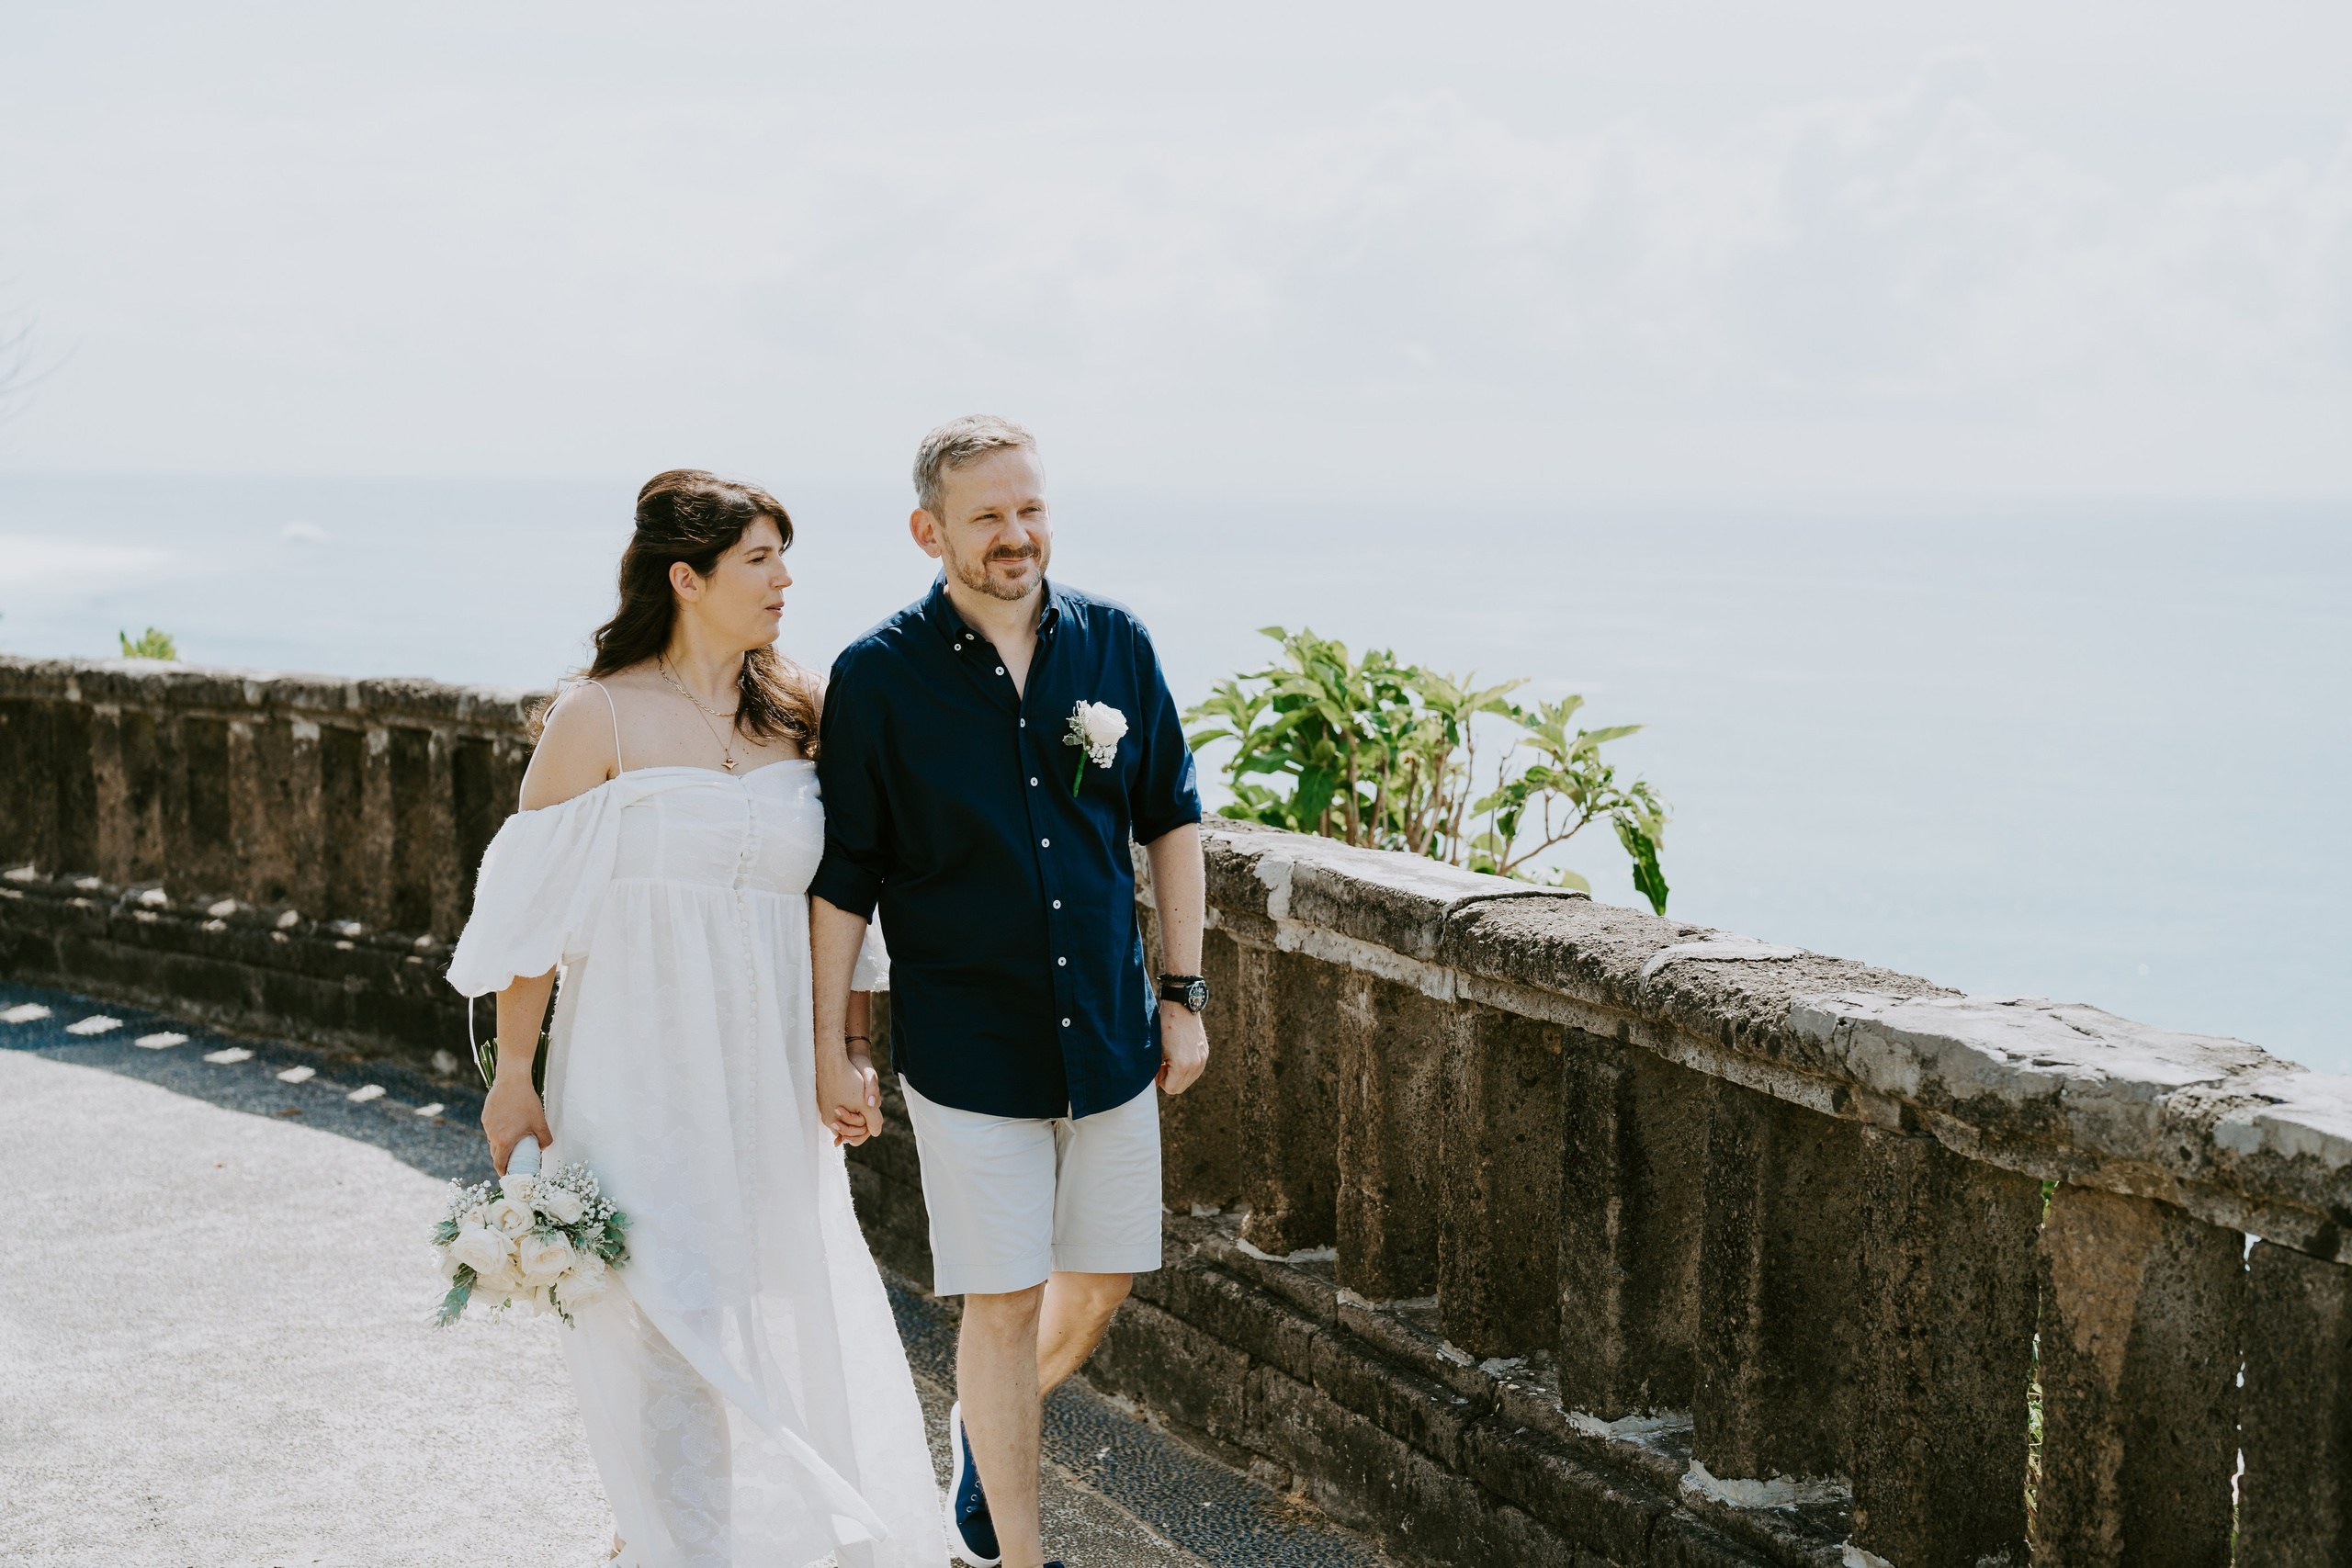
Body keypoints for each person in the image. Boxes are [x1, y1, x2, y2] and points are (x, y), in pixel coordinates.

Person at [447, 470, 943, 1568]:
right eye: (759, 559)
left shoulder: (804, 711)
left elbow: (843, 906)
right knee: (658, 1302)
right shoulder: (598, 716)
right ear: (688, 578)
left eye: (782, 556)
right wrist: (513, 1072)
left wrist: (847, 1049)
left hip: (767, 1061)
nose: (785, 579)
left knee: (776, 1289)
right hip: (634, 1052)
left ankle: (763, 1525)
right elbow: (535, 914)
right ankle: (682, 1538)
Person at [808, 416, 1211, 1568]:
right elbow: (847, 876)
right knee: (1000, 1297)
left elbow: (1170, 816)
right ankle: (1012, 1557)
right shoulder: (878, 677)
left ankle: (986, 1430)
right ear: (928, 529)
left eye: (1029, 507)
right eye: (986, 515)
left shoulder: (1113, 643)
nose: (1015, 534)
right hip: (966, 1041)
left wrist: (1180, 993)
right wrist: (836, 1040)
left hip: (1109, 1033)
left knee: (1103, 1278)